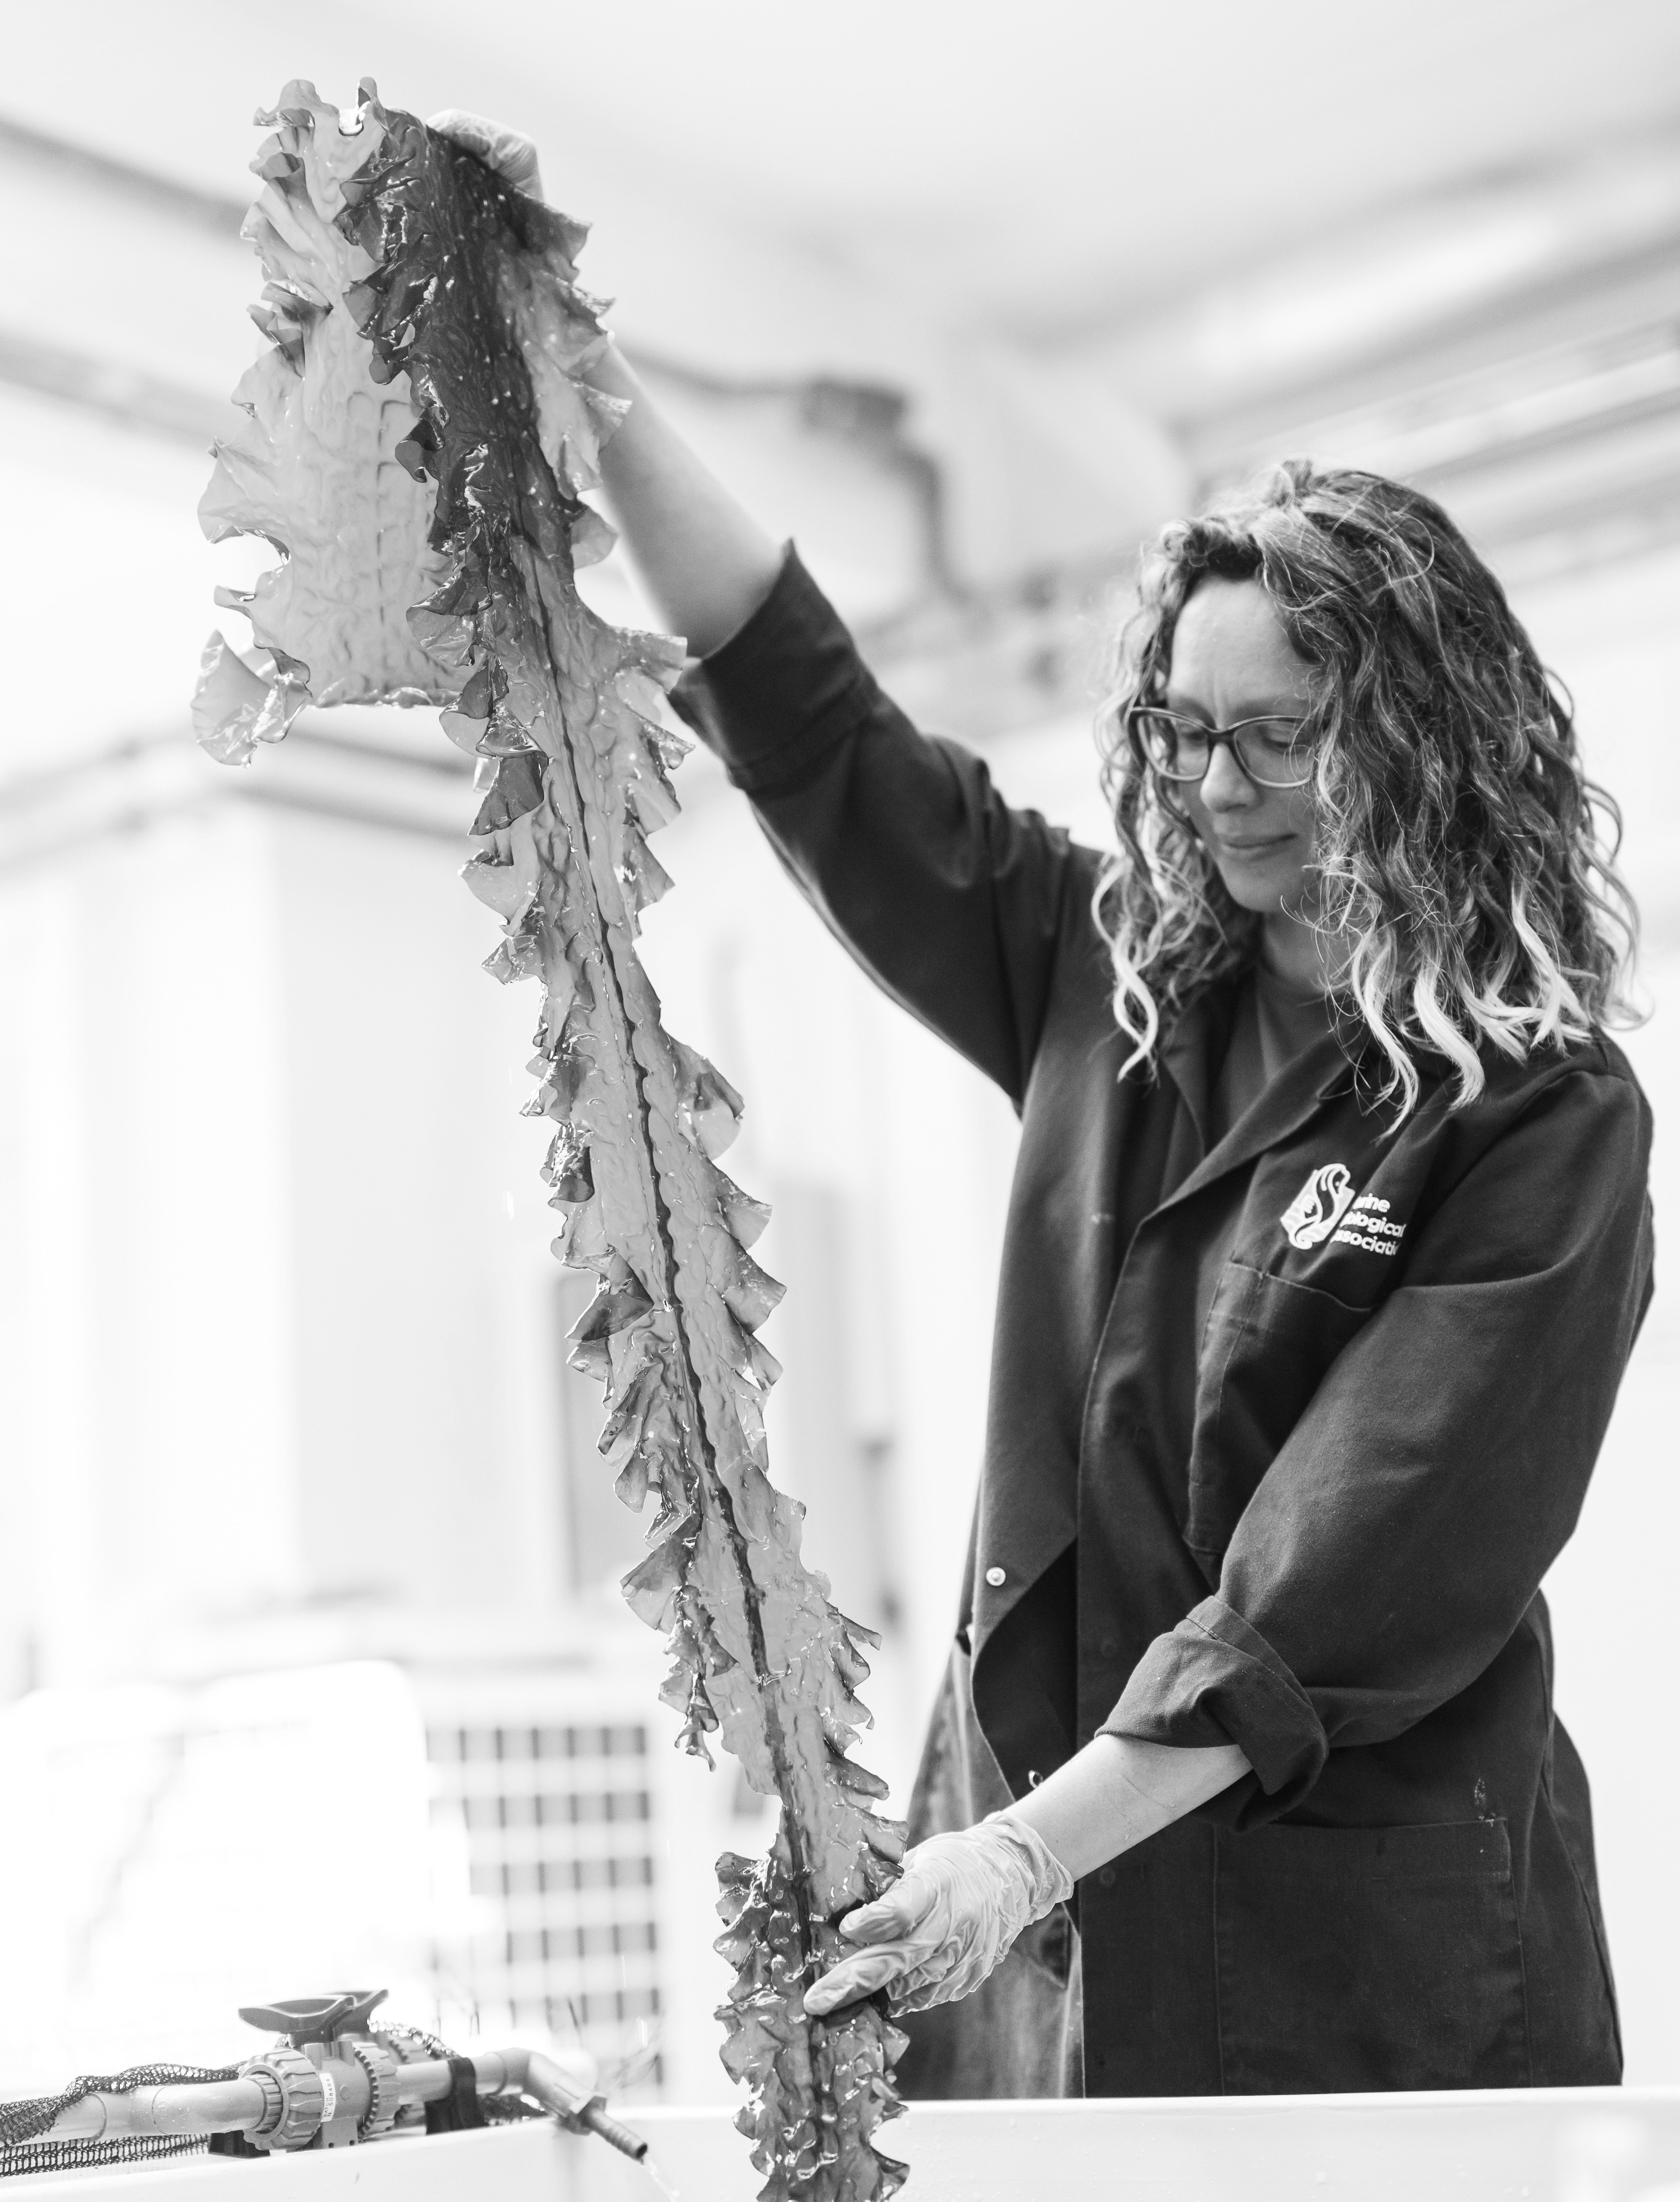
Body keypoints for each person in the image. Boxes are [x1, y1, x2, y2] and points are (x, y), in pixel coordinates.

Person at [445, 116, 1652, 2097]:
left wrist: (1020, 1852)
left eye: (1281, 737)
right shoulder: (1117, 983)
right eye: (1186, 734)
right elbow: (822, 730)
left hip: (1348, 1934)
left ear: (1418, 748)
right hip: (1041, 1878)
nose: (1220, 787)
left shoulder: (1544, 1121)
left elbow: (1331, 1586)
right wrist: (594, 389)